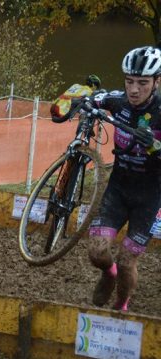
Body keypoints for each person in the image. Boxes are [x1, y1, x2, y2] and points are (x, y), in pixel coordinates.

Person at [65, 46, 161, 311]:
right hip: (118, 189)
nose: (134, 90)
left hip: (150, 197)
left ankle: (121, 304)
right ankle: (109, 274)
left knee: (128, 260)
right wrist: (78, 102)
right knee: (97, 252)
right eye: (130, 81)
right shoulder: (119, 101)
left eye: (142, 83)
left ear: (157, 82)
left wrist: (154, 145)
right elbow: (92, 96)